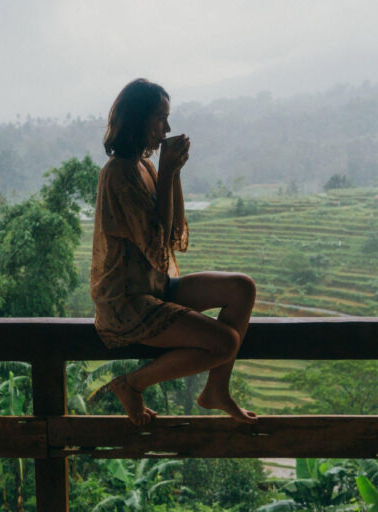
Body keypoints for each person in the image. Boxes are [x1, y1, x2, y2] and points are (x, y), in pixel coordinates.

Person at [90, 78, 257, 426]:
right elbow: (156, 250)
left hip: (157, 286)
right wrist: (166, 172)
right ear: (138, 120)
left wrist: (172, 173)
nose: (166, 127)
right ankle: (131, 385)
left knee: (242, 288)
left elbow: (174, 235)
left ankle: (216, 391)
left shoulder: (146, 168)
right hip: (129, 302)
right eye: (160, 118)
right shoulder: (118, 174)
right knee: (225, 343)